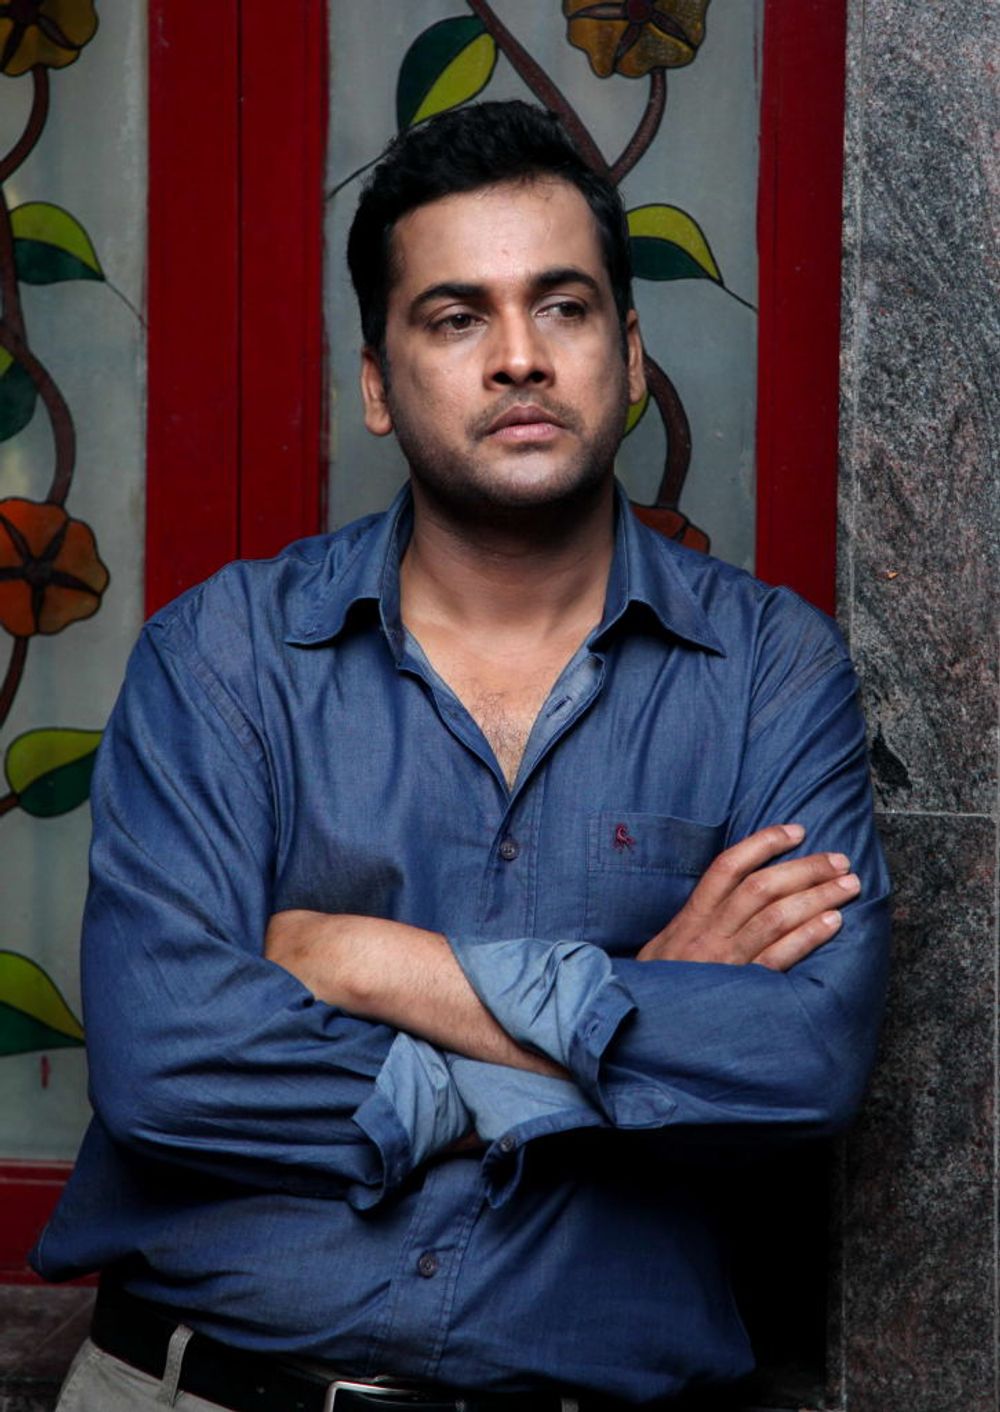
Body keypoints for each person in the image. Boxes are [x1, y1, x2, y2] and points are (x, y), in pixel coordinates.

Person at [34, 100, 890, 1411]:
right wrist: (640, 1009)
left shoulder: (773, 674)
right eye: (455, 318)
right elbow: (168, 1068)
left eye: (564, 307)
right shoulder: (223, 660)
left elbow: (801, 1063)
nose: (519, 359)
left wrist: (379, 964)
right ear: (378, 385)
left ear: (631, 354)